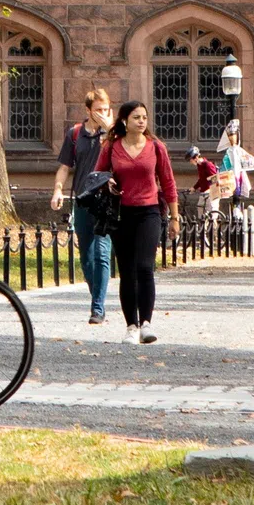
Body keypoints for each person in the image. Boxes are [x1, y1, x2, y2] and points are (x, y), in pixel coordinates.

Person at [94, 100, 179, 342]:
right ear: (124, 121)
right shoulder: (112, 146)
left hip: (149, 212)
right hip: (121, 214)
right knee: (127, 271)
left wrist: (174, 217)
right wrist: (107, 181)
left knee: (144, 267)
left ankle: (146, 324)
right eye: (136, 118)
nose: (142, 121)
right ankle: (131, 326)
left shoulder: (156, 147)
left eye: (144, 117)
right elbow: (97, 175)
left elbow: (169, 182)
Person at [49, 89, 120, 324]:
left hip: (106, 201)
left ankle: (97, 308)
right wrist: (58, 189)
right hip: (82, 200)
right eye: (98, 110)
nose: (102, 114)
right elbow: (64, 166)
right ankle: (96, 298)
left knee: (102, 254)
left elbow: (123, 154)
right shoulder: (75, 134)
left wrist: (110, 128)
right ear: (88, 110)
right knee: (86, 258)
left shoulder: (115, 134)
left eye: (106, 109)